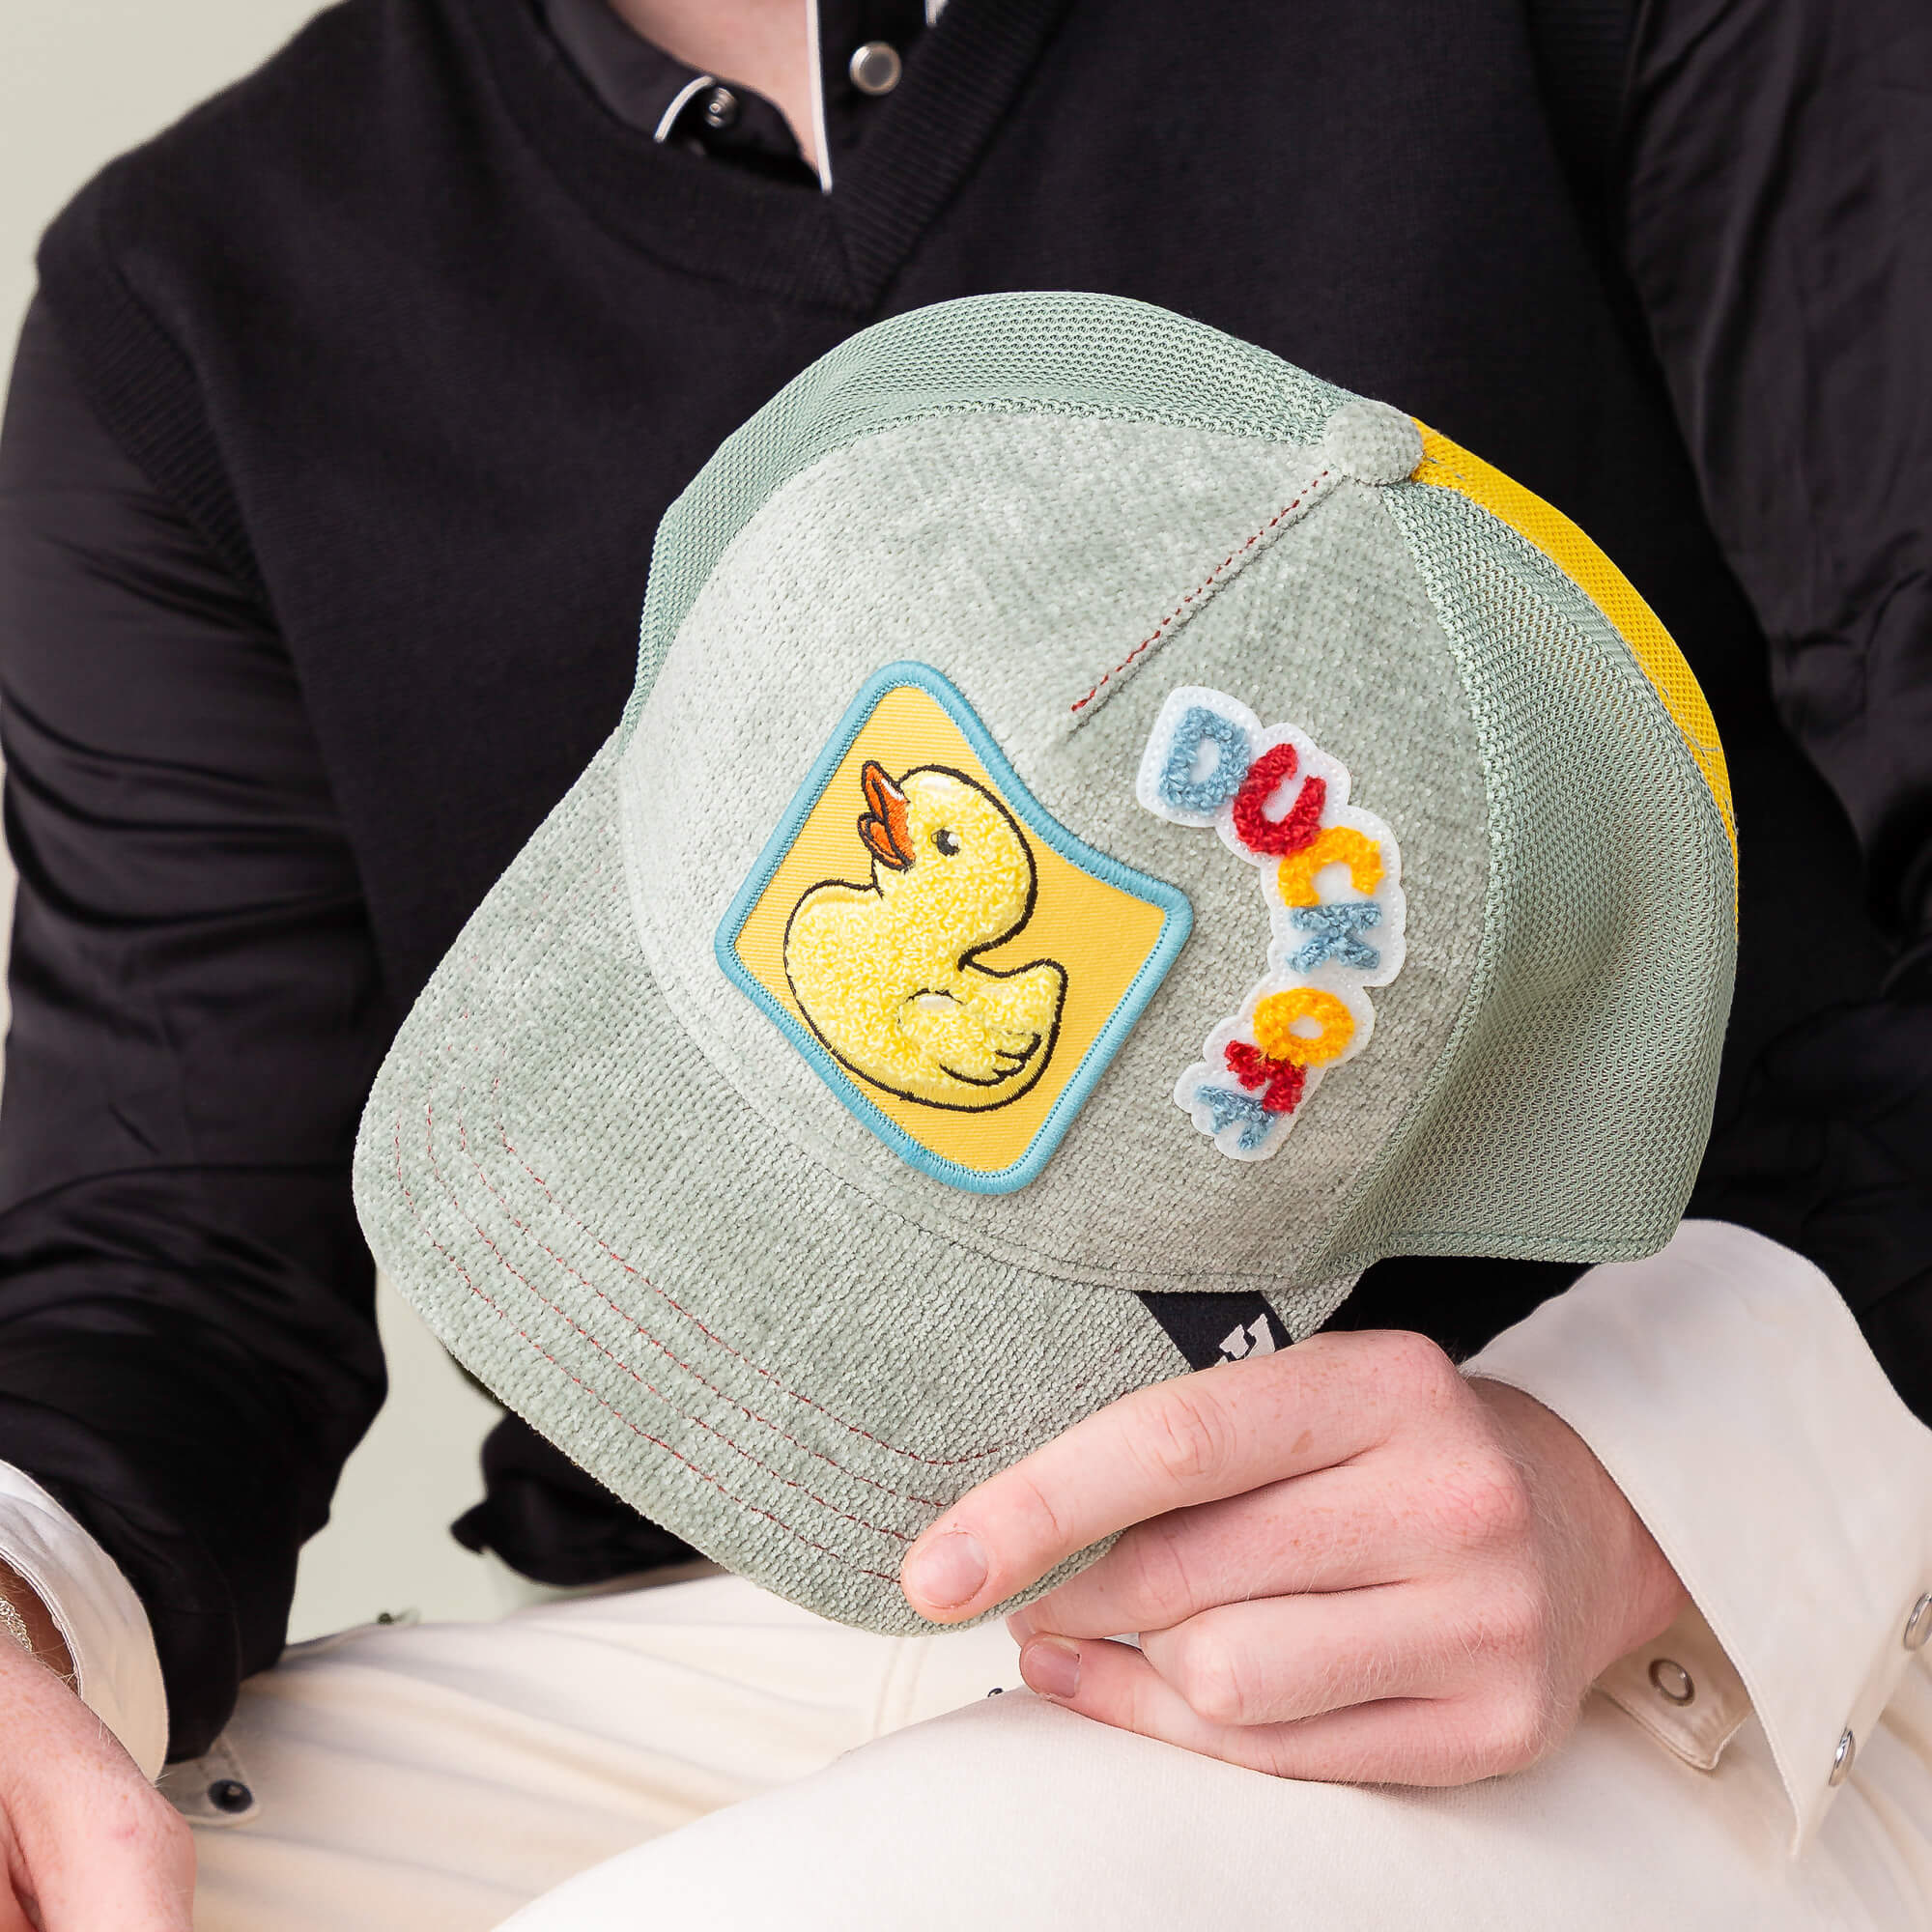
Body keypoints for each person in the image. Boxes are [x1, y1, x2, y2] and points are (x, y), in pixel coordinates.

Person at [0, 0, 1924, 1926]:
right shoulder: (188, 305)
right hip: (706, 1642)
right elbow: (171, 1257)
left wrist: (1641, 1474)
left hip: (1646, 1579)